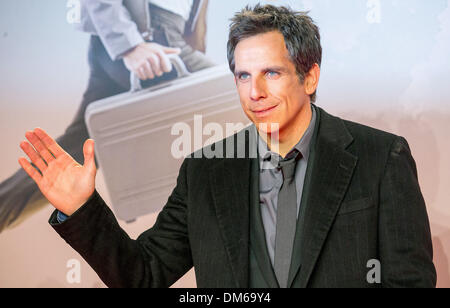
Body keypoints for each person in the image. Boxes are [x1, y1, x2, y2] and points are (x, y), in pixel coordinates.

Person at [18, 5, 436, 288]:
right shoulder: (205, 171)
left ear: (309, 77)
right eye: (242, 76)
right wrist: (82, 208)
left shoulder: (382, 157)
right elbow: (143, 275)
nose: (255, 92)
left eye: (271, 73)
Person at [0, 0, 213, 232]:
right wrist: (130, 46)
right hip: (148, 39)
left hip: (138, 40)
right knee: (243, 104)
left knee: (75, 152)